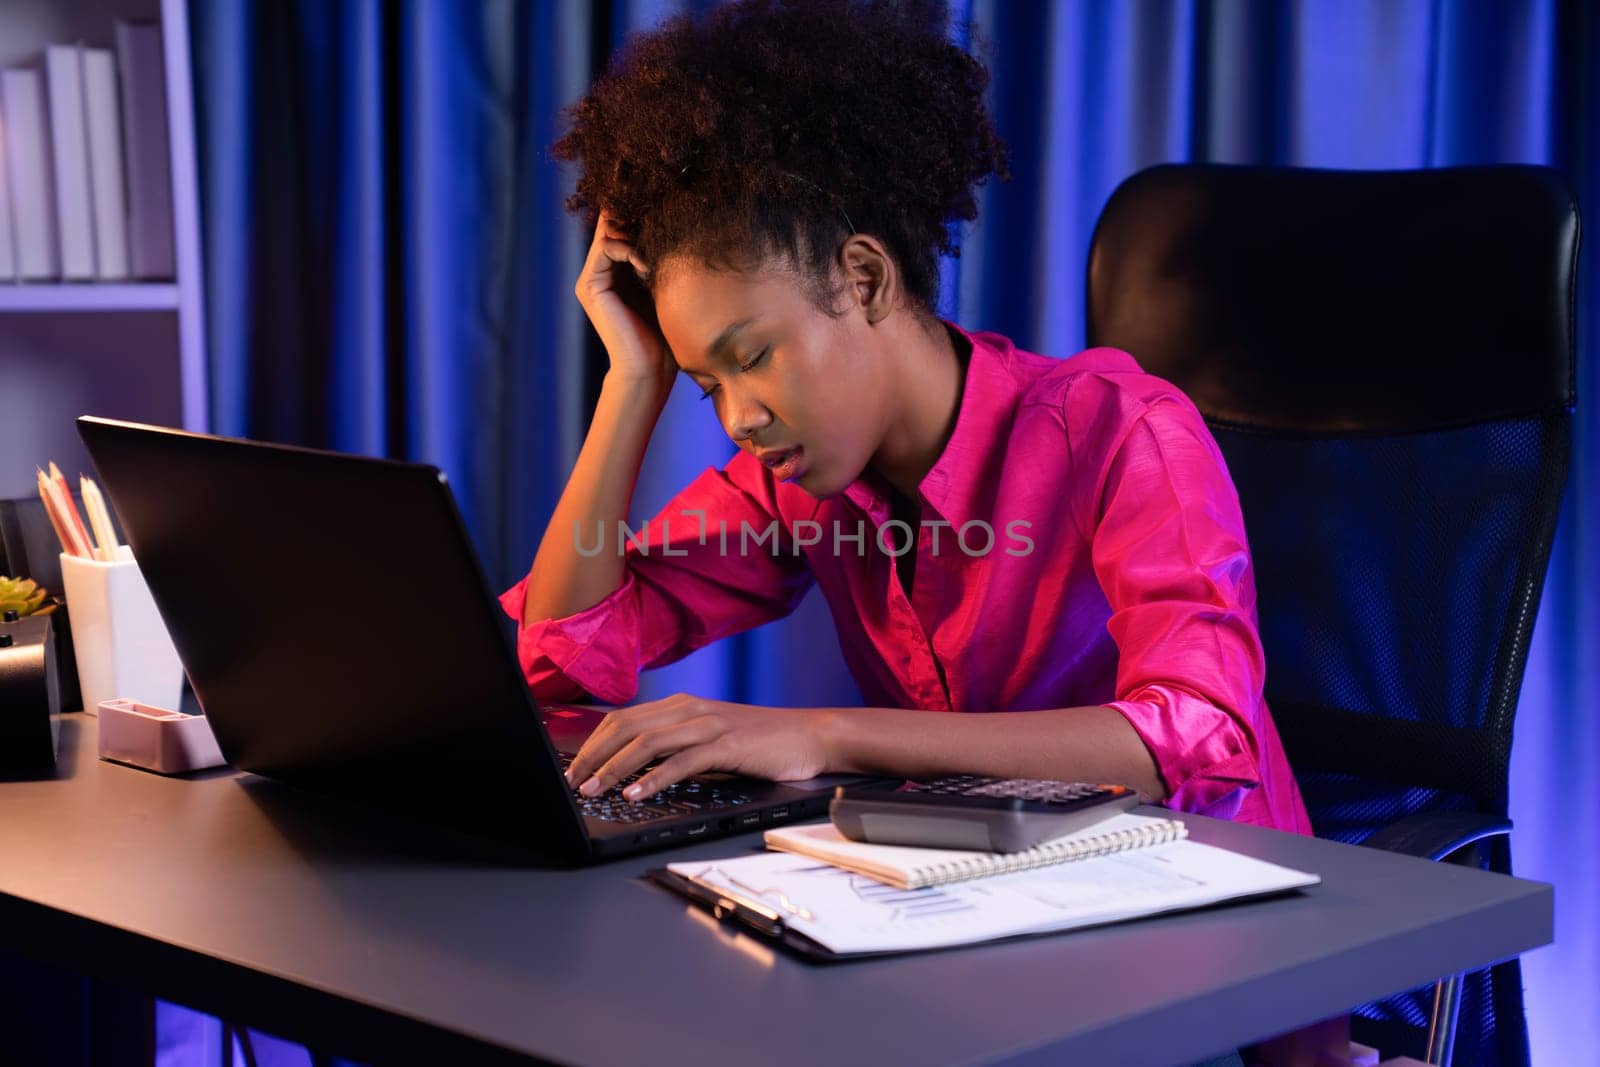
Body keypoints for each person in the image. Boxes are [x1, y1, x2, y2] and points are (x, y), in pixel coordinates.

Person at [500, 0, 1311, 841]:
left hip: (1211, 902)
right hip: (984, 896)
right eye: (708, 386)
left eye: (753, 357)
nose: (740, 417)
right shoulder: (798, 485)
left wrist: (825, 734)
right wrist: (633, 381)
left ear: (864, 278)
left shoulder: (1125, 433)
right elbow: (562, 656)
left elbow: (1200, 734)